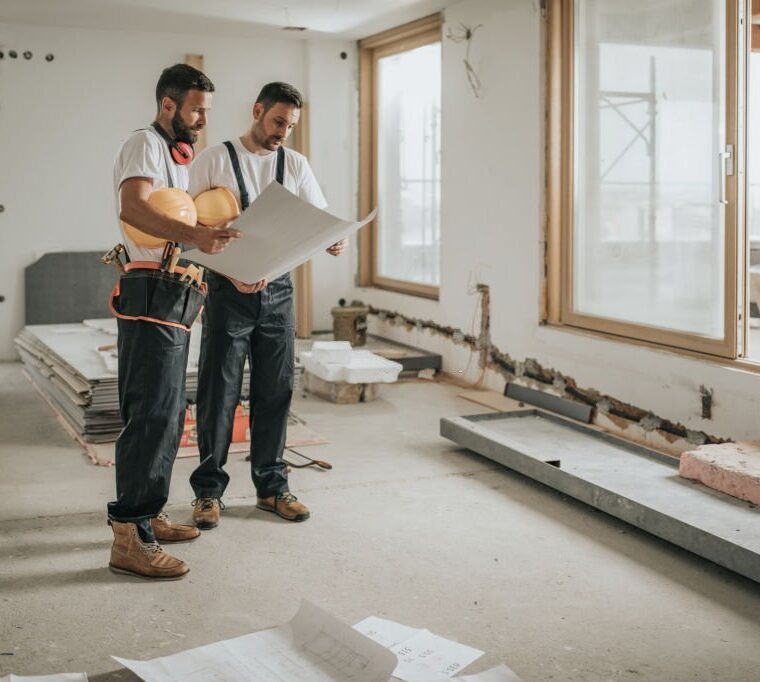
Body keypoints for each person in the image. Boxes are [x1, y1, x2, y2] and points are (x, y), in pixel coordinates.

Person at [188, 82, 347, 530]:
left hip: (278, 294)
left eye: (291, 125)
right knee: (218, 393)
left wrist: (334, 239)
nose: (283, 132)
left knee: (276, 391)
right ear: (257, 111)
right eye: (278, 121)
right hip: (226, 292)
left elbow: (318, 218)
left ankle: (273, 487)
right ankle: (207, 493)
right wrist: (227, 269)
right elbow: (188, 227)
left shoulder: (294, 164)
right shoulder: (213, 159)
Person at [108, 64, 239, 580]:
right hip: (150, 287)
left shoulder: (176, 157)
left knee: (168, 412)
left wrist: (208, 234)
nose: (204, 119)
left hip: (176, 287)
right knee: (150, 413)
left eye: (206, 109)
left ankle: (150, 513)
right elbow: (134, 208)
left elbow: (176, 219)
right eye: (197, 109)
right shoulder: (144, 142)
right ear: (169, 105)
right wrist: (198, 238)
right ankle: (129, 535)